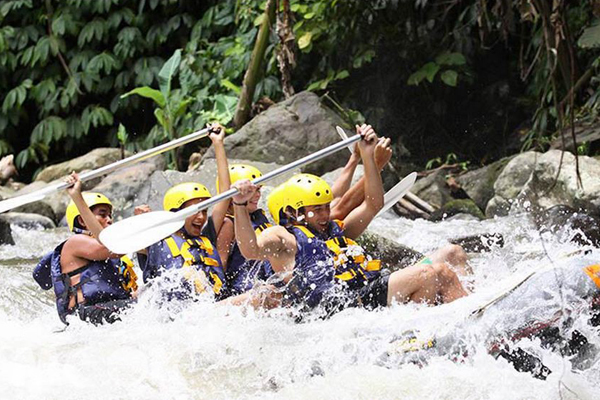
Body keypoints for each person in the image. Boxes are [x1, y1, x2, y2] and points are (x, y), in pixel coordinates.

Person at [225, 124, 469, 315]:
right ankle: (430, 332)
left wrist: (368, 157)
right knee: (429, 273)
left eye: (325, 207)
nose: (325, 214)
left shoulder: (334, 231)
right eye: (317, 209)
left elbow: (373, 204)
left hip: (366, 292)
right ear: (292, 212)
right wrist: (238, 204)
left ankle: (472, 315)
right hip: (340, 307)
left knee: (451, 256)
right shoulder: (282, 238)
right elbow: (250, 249)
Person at [138, 123, 231, 300]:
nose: (201, 217)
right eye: (195, 211)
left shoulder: (206, 236)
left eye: (204, 211)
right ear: (175, 212)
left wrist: (218, 144)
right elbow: (114, 246)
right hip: (176, 314)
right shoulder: (155, 241)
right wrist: (141, 223)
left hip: (211, 310)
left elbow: (225, 196)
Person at [33, 173, 137, 325]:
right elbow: (113, 248)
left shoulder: (109, 251)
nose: (109, 219)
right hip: (86, 313)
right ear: (83, 220)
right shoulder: (75, 243)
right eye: (102, 214)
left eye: (110, 215)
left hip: (107, 308)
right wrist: (77, 196)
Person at [214, 164, 273, 296]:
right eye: (251, 192)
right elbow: (220, 266)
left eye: (258, 190)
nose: (257, 195)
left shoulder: (258, 217)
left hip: (264, 281)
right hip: (243, 292)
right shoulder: (228, 224)